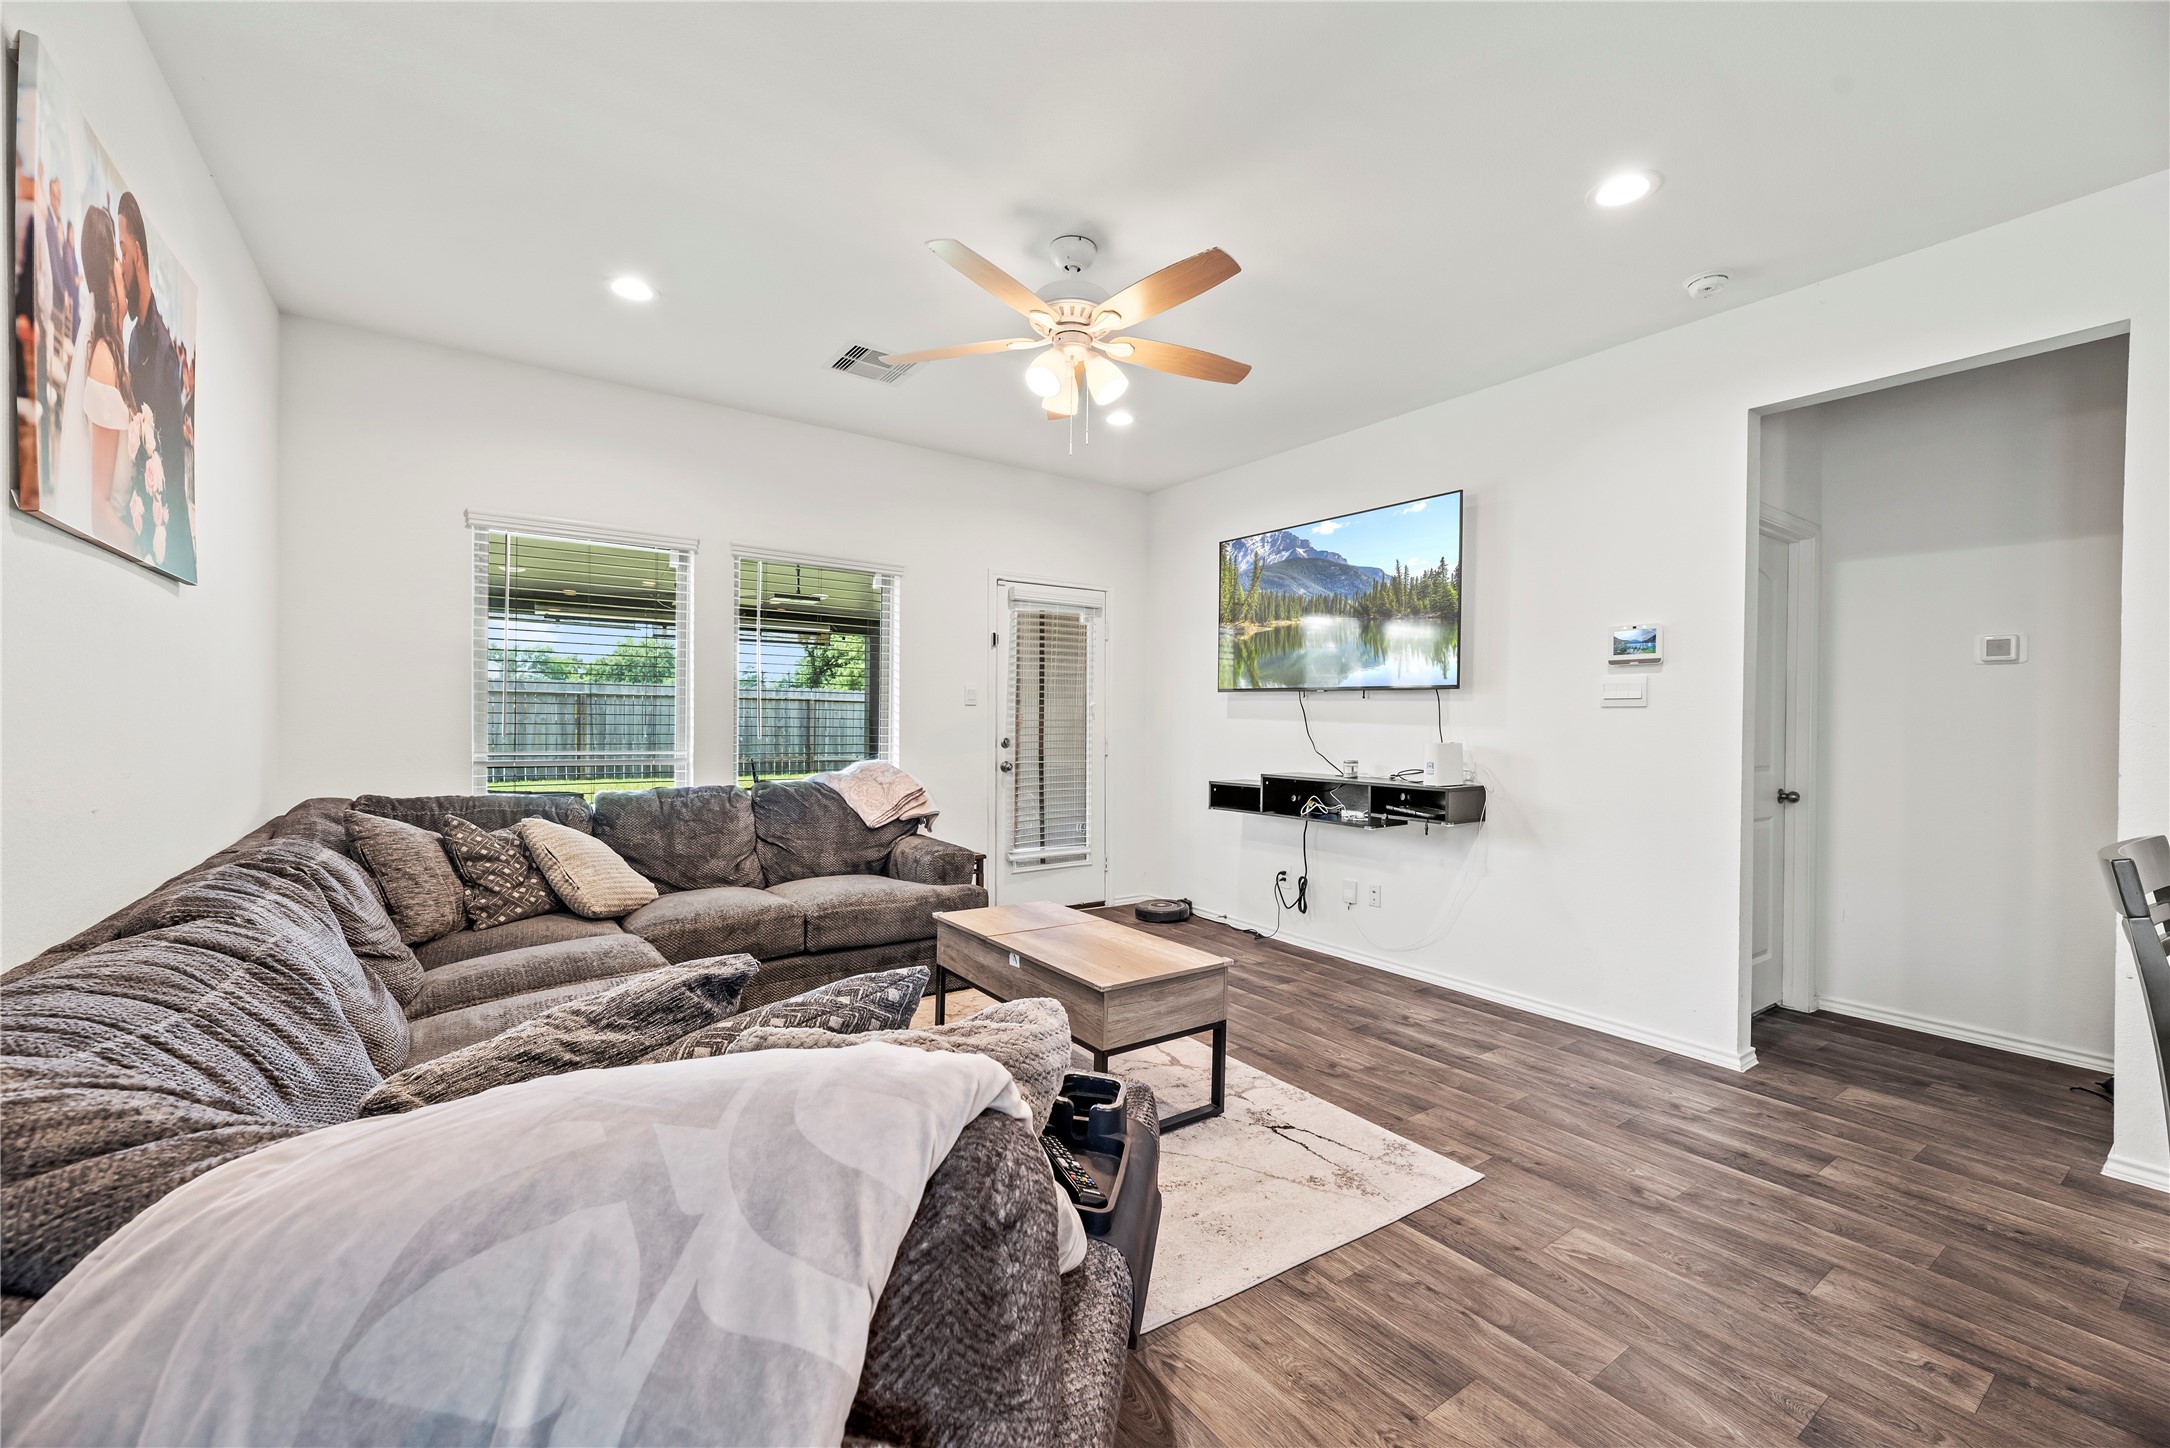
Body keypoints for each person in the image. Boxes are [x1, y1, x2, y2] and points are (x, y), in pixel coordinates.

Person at [116, 192, 190, 576]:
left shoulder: (163, 352)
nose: (120, 264)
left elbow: (171, 474)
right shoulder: (133, 341)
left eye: (122, 249)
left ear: (138, 256)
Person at [52, 206, 135, 546]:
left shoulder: (113, 354)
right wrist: (143, 551)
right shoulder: (103, 361)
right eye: (118, 257)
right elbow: (99, 512)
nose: (123, 267)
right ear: (109, 289)